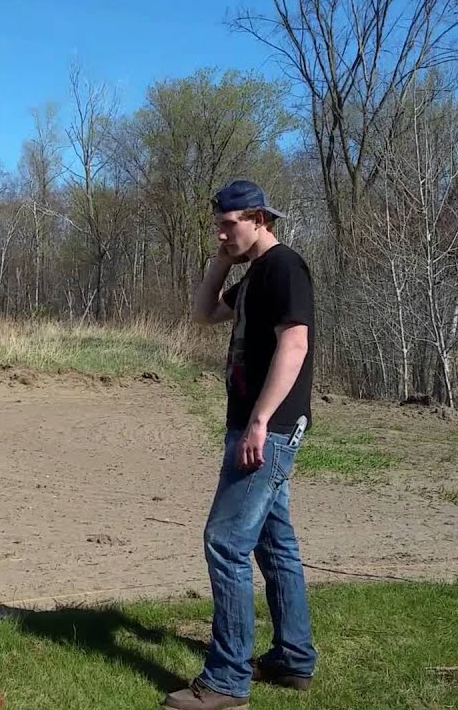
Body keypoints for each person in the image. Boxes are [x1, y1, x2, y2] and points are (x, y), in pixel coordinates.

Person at [163, 180, 318, 710]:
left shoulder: (285, 267)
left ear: (259, 219)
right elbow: (204, 315)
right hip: (257, 425)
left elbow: (294, 346)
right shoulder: (255, 274)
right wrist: (221, 264)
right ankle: (293, 658)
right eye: (218, 226)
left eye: (229, 225)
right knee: (275, 544)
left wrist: (260, 422)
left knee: (226, 542)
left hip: (267, 429)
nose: (222, 234)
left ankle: (227, 681)